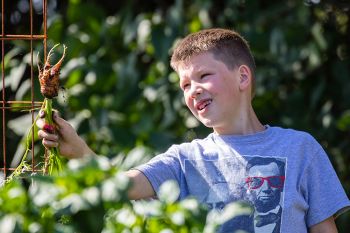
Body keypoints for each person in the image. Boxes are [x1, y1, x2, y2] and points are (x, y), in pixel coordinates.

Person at [38, 28, 350, 232]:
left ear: (243, 77)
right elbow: (123, 186)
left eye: (203, 75)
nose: (193, 90)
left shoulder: (299, 148)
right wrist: (80, 151)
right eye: (185, 85)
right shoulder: (185, 159)